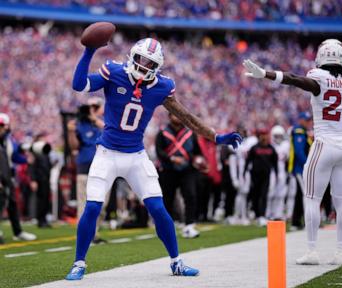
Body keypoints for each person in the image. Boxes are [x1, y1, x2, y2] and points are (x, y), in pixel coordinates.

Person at [65, 37, 242, 280]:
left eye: (150, 62)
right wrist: (89, 51)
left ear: (157, 66)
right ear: (131, 56)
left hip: (136, 156)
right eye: (140, 59)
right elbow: (79, 85)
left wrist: (216, 137)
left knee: (158, 209)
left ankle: (176, 261)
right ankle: (79, 263)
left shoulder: (162, 86)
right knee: (93, 207)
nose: (144, 65)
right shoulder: (113, 72)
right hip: (107, 153)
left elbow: (187, 117)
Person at [243, 38, 342, 265]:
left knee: (311, 198)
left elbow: (294, 79)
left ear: (321, 58)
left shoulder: (319, 78)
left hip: (324, 144)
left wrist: (266, 74)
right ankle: (341, 252)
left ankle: (312, 251)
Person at [67, 97, 108, 242]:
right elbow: (74, 147)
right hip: (85, 167)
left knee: (103, 203)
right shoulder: (78, 125)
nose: (91, 110)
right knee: (83, 203)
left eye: (95, 107)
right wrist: (71, 132)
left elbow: (110, 132)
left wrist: (94, 118)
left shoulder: (102, 122)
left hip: (103, 168)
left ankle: (94, 232)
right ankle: (85, 235)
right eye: (89, 107)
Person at [156, 113, 202, 238]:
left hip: (187, 171)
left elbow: (197, 152)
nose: (177, 118)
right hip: (168, 170)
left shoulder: (190, 133)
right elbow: (159, 151)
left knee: (190, 195)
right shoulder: (163, 132)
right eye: (175, 116)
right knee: (168, 199)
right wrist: (171, 158)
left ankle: (189, 225)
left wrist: (199, 160)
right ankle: (166, 227)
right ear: (170, 117)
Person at [0, 113, 36, 241]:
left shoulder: (9, 141)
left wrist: (26, 160)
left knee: (12, 203)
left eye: (2, 126)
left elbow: (14, 156)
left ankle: (18, 232)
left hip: (7, 174)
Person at [245, 128, 278, 227]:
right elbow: (248, 161)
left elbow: (274, 164)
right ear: (259, 136)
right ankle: (256, 214)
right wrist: (244, 174)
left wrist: (276, 175)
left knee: (264, 196)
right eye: (262, 135)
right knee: (255, 196)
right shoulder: (254, 148)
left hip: (266, 176)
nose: (264, 137)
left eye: (266, 135)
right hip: (254, 176)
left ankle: (262, 216)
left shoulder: (271, 148)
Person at [287, 112, 312, 229]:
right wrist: (308, 164)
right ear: (301, 120)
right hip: (301, 168)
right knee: (306, 195)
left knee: (299, 195)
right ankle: (307, 221)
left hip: (301, 167)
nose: (309, 122)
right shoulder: (299, 131)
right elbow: (299, 151)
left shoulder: (301, 131)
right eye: (306, 120)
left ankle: (296, 221)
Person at [266, 125, 290, 220]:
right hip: (272, 172)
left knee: (281, 194)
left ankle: (278, 214)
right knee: (270, 193)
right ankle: (268, 213)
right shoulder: (270, 146)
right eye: (276, 136)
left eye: (280, 136)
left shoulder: (286, 145)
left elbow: (288, 159)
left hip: (282, 172)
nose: (278, 138)